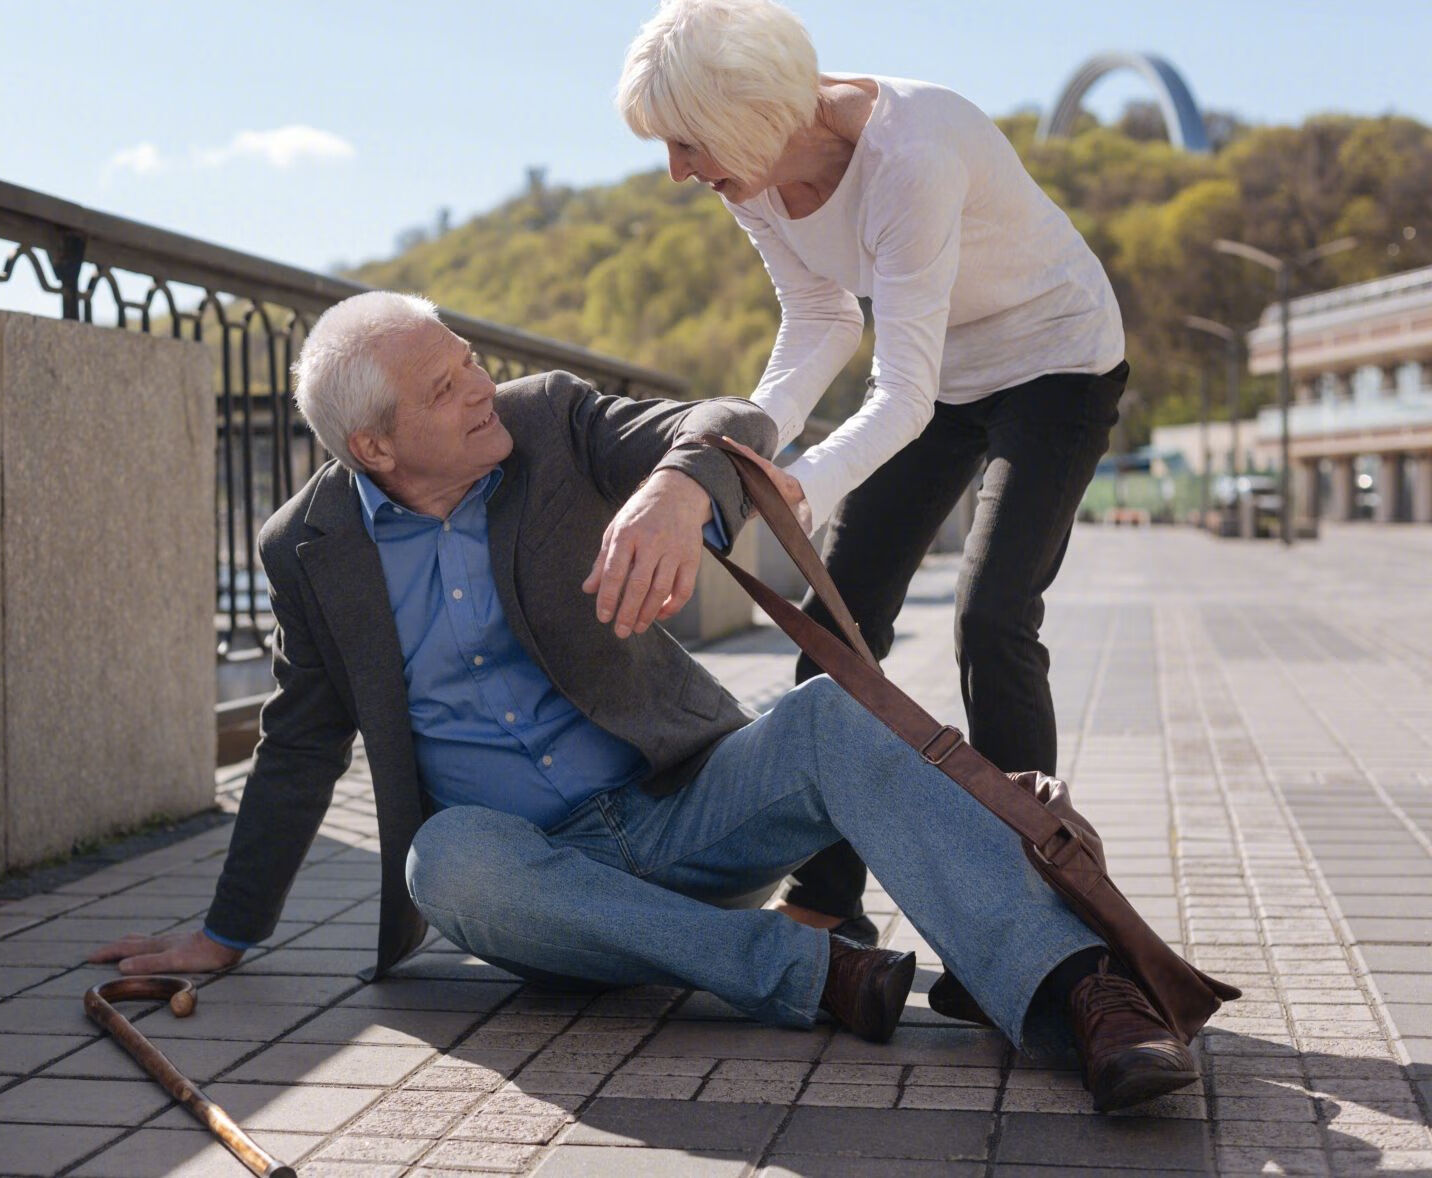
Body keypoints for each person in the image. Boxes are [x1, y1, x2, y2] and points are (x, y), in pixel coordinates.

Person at [92, 291, 1197, 1112]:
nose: (479, 388)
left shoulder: (548, 419)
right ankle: (814, 974)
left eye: (467, 360)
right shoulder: (308, 548)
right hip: (535, 882)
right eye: (443, 390)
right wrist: (230, 929)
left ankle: (1077, 992)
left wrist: (677, 488)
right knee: (444, 858)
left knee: (825, 717)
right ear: (374, 445)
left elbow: (731, 421)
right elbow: (296, 740)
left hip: (688, 805)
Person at [617, 0, 1130, 952]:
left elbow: (903, 393)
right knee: (839, 621)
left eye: (688, 143)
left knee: (992, 617)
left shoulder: (912, 152)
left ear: (752, 112)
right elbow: (821, 321)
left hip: (1055, 360)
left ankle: (1038, 915)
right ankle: (825, 896)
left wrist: (802, 484)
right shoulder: (751, 174)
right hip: (941, 373)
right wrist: (751, 447)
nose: (680, 171)